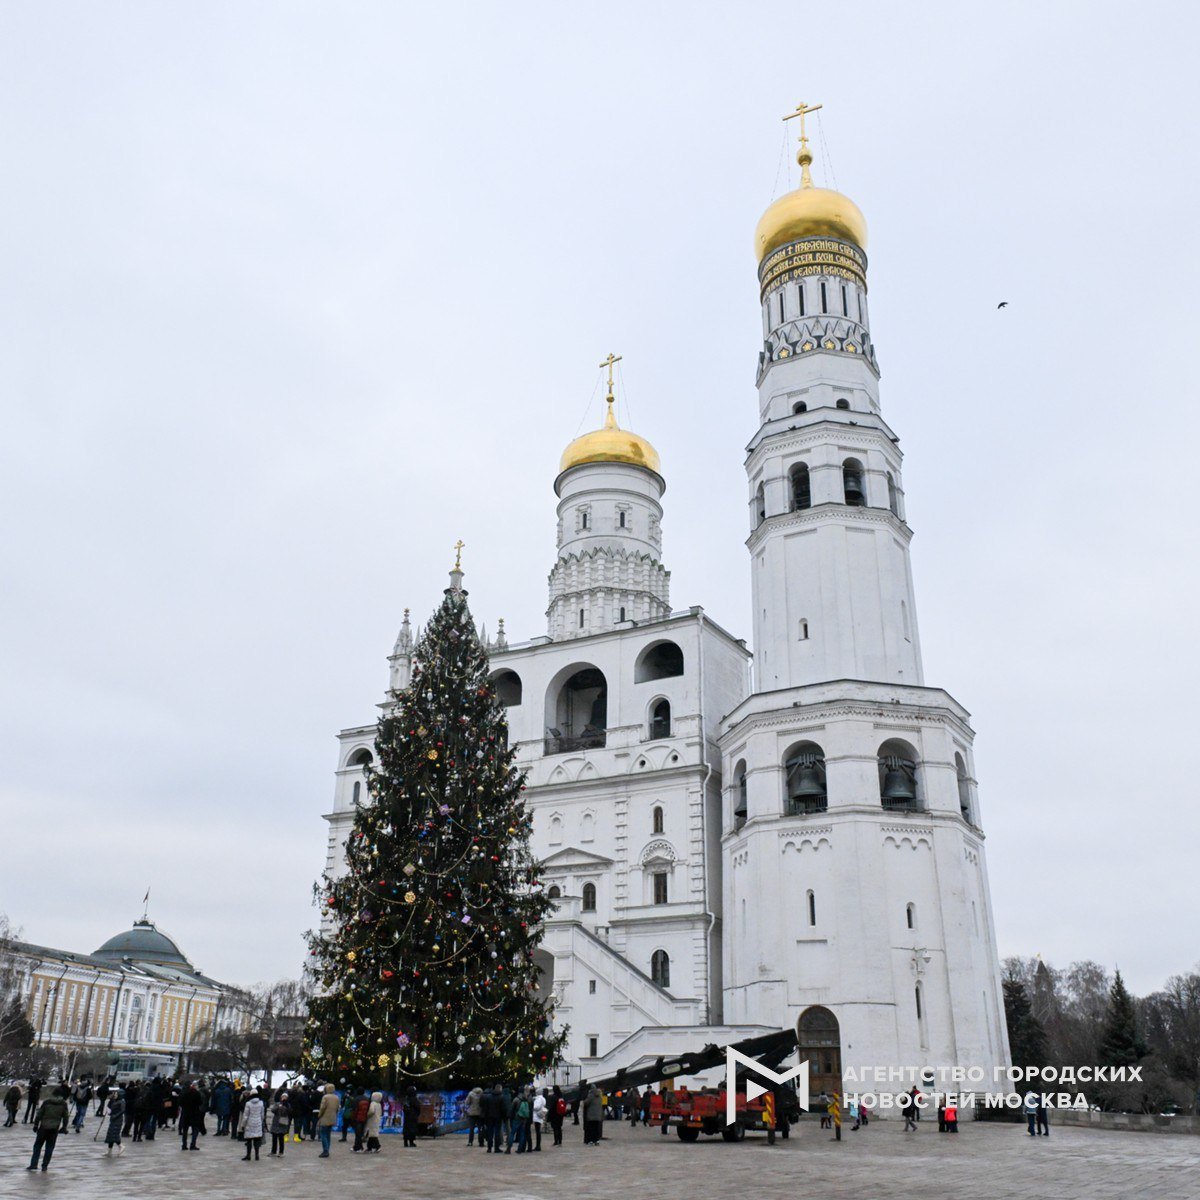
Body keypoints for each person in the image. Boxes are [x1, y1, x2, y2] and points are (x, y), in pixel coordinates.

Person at [27, 1085, 69, 1172]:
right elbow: (66, 1117)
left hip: (43, 1127)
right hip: (54, 1128)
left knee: (37, 1146)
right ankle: (44, 1166)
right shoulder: (63, 1104)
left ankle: (34, 1164)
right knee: (49, 1147)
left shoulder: (47, 1102)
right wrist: (64, 1127)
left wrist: (35, 1125)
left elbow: (39, 1114)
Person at [239, 1088, 265, 1160]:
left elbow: (246, 1115)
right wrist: (261, 1121)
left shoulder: (248, 1103)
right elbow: (262, 1114)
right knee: (257, 1140)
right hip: (258, 1122)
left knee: (249, 1140)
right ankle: (257, 1155)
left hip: (249, 1123)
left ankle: (248, 1155)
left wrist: (243, 1125)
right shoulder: (261, 1103)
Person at [180, 1081, 206, 1151]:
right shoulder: (197, 1093)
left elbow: (180, 1103)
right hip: (194, 1113)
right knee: (195, 1130)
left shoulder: (185, 1093)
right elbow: (200, 1102)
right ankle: (192, 1144)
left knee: (185, 1130)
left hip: (186, 1113)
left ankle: (184, 1145)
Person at [316, 1083, 339, 1157]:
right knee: (328, 1134)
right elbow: (338, 1108)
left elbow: (322, 1108)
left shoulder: (325, 1097)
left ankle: (325, 1150)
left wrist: (319, 1115)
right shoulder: (336, 1097)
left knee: (323, 1134)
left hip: (325, 1118)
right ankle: (327, 1149)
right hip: (332, 1118)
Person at [104, 1086, 126, 1156]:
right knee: (110, 1134)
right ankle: (109, 1150)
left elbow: (122, 1110)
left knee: (114, 1134)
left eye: (116, 1094)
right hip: (113, 1119)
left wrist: (115, 1116)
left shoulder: (122, 1102)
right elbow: (110, 1107)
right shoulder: (114, 1101)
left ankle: (121, 1146)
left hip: (118, 1120)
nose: (115, 1095)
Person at [268, 1091, 291, 1156]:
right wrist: (278, 1107)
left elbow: (289, 1112)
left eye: (285, 1097)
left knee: (281, 1139)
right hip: (276, 1123)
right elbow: (272, 1110)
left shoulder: (288, 1105)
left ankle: (281, 1152)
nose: (284, 1098)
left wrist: (284, 1106)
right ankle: (273, 1151)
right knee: (274, 1139)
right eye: (283, 1097)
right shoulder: (277, 1103)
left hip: (282, 1123)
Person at [482, 1083, 502, 1152]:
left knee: (490, 1132)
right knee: (497, 1132)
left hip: (489, 1117)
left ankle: (489, 1147)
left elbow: (486, 1108)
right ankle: (496, 1148)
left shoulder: (489, 1097)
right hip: (498, 1117)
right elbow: (503, 1109)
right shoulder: (501, 1097)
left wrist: (485, 1116)